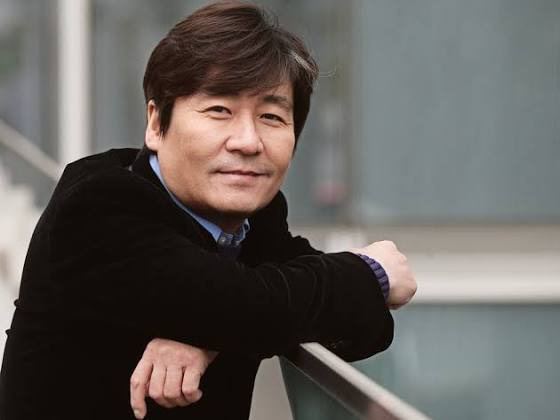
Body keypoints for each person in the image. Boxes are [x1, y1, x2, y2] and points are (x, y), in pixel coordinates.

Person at [0, 1, 416, 419]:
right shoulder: (98, 209)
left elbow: (361, 328)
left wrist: (211, 335)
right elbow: (257, 308)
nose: (248, 141)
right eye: (219, 111)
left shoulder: (255, 217)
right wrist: (373, 270)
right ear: (156, 124)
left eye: (271, 116)